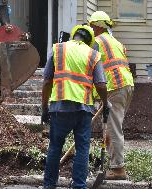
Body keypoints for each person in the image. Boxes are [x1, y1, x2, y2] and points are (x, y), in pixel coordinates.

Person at [42, 25, 109, 189]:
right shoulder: (94, 55)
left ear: (74, 36)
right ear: (90, 41)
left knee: (55, 147)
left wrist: (44, 107)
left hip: (59, 107)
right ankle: (79, 185)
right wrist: (106, 103)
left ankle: (49, 185)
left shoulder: (57, 49)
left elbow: (47, 81)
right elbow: (100, 84)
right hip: (83, 110)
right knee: (82, 149)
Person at [88, 11, 134, 180]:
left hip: (115, 86)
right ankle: (114, 163)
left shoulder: (97, 42)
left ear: (97, 26)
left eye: (91, 26)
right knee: (113, 127)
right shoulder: (115, 41)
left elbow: (91, 68)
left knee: (113, 129)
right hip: (125, 85)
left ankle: (118, 169)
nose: (90, 28)